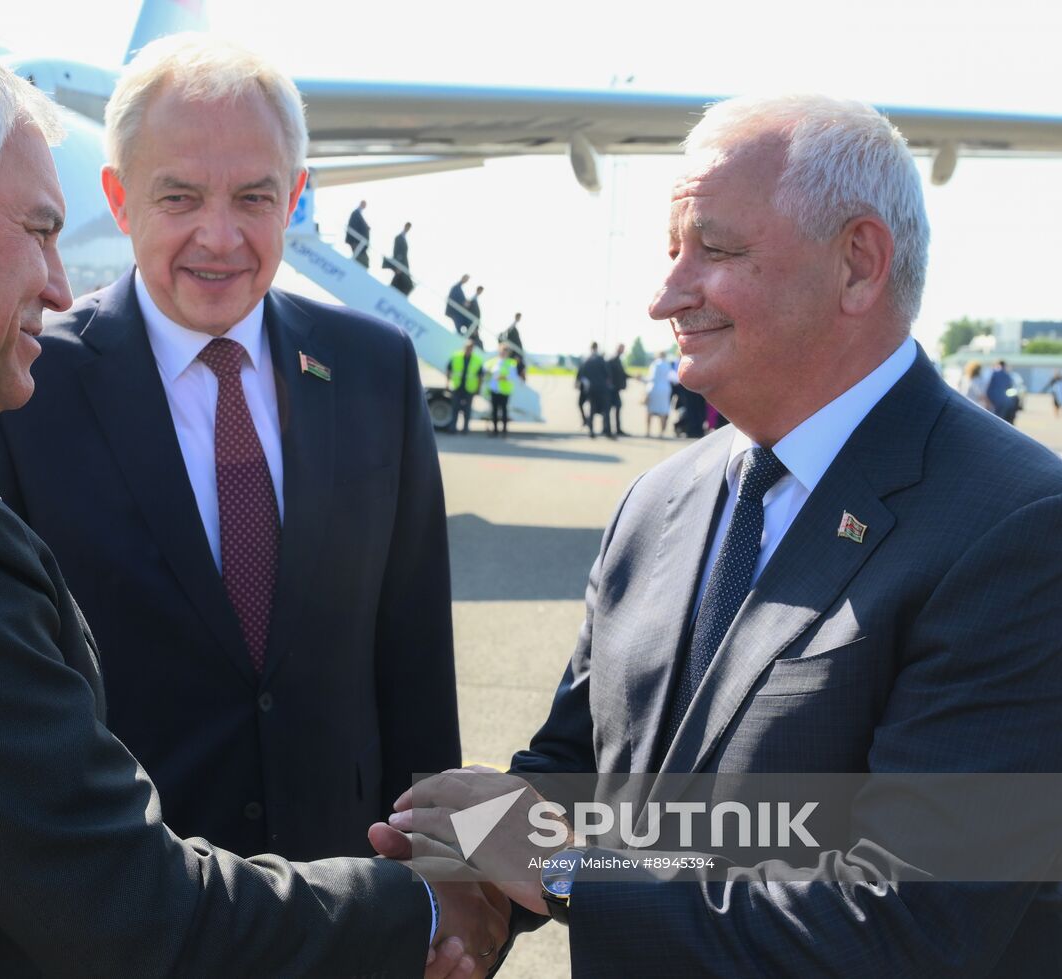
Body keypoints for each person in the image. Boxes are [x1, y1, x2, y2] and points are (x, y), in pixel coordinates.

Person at [0, 25, 507, 976]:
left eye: (255, 196)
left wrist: (476, 857)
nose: (61, 283)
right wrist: (429, 907)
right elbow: (127, 901)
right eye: (38, 231)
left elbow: (418, 673)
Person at [375, 93, 1062, 973]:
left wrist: (565, 870)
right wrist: (468, 890)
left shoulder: (1016, 527)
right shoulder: (659, 499)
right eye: (672, 251)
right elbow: (583, 768)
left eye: (715, 249)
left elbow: (906, 924)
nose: (664, 296)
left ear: (858, 264)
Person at [0, 34, 462, 865]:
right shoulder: (25, 387)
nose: (220, 237)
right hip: (129, 892)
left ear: (294, 197)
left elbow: (415, 658)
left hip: (344, 886)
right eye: (181, 198)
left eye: (254, 198)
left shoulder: (375, 369)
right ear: (120, 200)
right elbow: (1, 696)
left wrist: (447, 879)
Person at [576, 341, 614, 439]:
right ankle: (607, 431)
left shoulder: (587, 360)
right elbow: (608, 374)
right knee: (606, 410)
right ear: (597, 348)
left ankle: (591, 431)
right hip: (602, 389)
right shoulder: (601, 359)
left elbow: (582, 375)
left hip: (591, 389)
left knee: (592, 410)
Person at [447, 336, 483, 433]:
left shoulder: (477, 360)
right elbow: (449, 370)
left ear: (473, 349)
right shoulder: (456, 357)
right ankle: (453, 428)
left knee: (467, 409)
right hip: (457, 386)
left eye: (470, 348)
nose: (468, 350)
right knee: (455, 408)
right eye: (467, 348)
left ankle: (465, 428)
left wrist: (478, 388)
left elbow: (480, 376)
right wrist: (447, 383)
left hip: (469, 388)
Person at [484, 343, 519, 436]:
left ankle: (504, 431)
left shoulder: (511, 362)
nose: (503, 353)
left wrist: (503, 377)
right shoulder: (493, 361)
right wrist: (488, 372)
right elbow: (485, 369)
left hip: (504, 391)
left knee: (504, 411)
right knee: (494, 411)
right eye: (502, 351)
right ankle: (495, 430)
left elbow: (513, 376)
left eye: (505, 351)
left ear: (508, 353)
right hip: (494, 390)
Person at [645, 349, 675, 437]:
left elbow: (652, 377)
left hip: (654, 389)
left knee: (650, 411)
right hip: (665, 389)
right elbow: (672, 378)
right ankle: (661, 433)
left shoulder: (655, 364)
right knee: (663, 411)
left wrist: (642, 379)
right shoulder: (668, 365)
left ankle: (648, 431)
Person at [986, 357, 1021, 423]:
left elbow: (987, 387)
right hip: (1004, 401)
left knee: (992, 420)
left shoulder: (992, 373)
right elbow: (1010, 388)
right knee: (1001, 420)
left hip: (993, 400)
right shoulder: (1007, 375)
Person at [606, 341, 629, 435]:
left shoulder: (617, 359)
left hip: (615, 389)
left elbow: (622, 374)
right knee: (610, 408)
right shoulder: (613, 359)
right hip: (612, 389)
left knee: (616, 407)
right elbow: (609, 373)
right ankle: (608, 429)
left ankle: (614, 429)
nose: (623, 350)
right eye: (622, 348)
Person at [386, 220, 414, 295]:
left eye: (409, 228)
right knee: (399, 282)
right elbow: (396, 252)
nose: (408, 229)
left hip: (403, 265)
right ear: (405, 226)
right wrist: (397, 265)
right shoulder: (399, 238)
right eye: (407, 227)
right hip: (400, 264)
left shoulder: (404, 239)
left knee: (401, 283)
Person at [496, 313, 526, 378]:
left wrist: (515, 321)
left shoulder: (512, 336)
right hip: (511, 360)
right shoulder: (503, 339)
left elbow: (510, 329)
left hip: (516, 357)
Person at [346, 198, 370, 265]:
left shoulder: (358, 214)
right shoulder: (356, 213)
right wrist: (354, 242)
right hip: (356, 242)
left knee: (362, 260)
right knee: (361, 261)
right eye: (363, 204)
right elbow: (353, 226)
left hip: (359, 243)